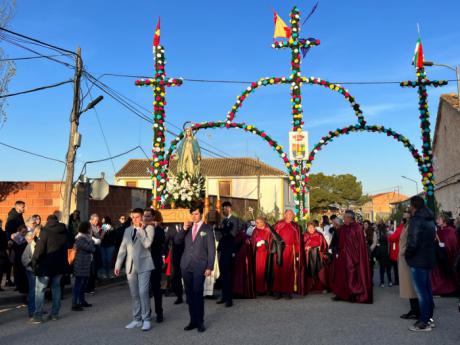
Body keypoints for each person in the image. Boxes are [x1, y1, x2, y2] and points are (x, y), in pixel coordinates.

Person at [175, 203, 215, 333]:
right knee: (190, 295)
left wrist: (209, 266)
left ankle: (200, 322)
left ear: (201, 214)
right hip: (186, 265)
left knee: (198, 294)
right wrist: (184, 229)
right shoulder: (187, 227)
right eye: (192, 214)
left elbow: (211, 249)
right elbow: (177, 241)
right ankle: (192, 320)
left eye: (196, 213)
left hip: (200, 266)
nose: (194, 216)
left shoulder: (207, 229)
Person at [115, 208, 154, 331]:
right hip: (130, 266)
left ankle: (146, 319)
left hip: (144, 264)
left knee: (143, 292)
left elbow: (147, 244)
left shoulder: (149, 229)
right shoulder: (127, 230)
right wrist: (117, 265)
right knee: (134, 294)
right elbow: (122, 249)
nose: (135, 219)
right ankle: (137, 319)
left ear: (142, 217)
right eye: (133, 217)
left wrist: (141, 230)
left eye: (137, 217)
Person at [405, 196, 436, 332]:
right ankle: (428, 318)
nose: (409, 208)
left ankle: (424, 322)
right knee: (427, 290)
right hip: (427, 258)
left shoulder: (417, 219)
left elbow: (413, 241)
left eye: (410, 206)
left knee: (422, 292)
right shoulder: (429, 219)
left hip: (418, 259)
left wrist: (407, 255)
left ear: (414, 206)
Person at [30, 215, 69, 323]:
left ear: (48, 221)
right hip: (60, 265)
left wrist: (34, 263)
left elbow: (39, 250)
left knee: (40, 290)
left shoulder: (45, 232)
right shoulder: (65, 232)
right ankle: (54, 314)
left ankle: (38, 316)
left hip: (45, 266)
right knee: (56, 288)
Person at [331, 210, 372, 303]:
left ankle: (353, 294)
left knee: (351, 276)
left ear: (350, 218)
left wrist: (356, 256)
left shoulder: (357, 227)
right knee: (341, 275)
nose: (343, 219)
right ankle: (341, 294)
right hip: (343, 255)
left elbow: (360, 244)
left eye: (345, 217)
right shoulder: (344, 227)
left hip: (352, 256)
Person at [215, 201, 240, 307]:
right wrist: (221, 231)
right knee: (223, 274)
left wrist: (222, 230)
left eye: (224, 208)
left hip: (229, 249)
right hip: (222, 249)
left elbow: (233, 234)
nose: (223, 210)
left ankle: (229, 299)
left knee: (228, 274)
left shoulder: (235, 220)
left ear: (229, 208)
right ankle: (224, 295)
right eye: (222, 209)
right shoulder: (223, 220)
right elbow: (218, 235)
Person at [271, 209, 300, 299]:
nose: (291, 215)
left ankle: (287, 292)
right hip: (280, 250)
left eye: (292, 214)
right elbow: (273, 237)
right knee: (278, 270)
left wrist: (298, 253)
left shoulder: (295, 226)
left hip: (291, 250)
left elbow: (297, 240)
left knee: (288, 271)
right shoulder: (279, 224)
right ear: (285, 215)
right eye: (289, 214)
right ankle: (277, 291)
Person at [397, 209, 420, 320]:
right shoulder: (406, 225)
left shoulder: (411, 225)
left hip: (407, 259)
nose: (403, 216)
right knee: (409, 286)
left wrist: (403, 252)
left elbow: (412, 241)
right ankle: (414, 310)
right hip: (404, 259)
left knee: (411, 286)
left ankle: (416, 311)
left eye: (405, 214)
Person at [72, 221, 99, 311]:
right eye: (89, 228)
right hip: (80, 264)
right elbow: (91, 249)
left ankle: (82, 301)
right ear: (86, 229)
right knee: (78, 284)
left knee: (83, 284)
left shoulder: (85, 238)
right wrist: (91, 239)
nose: (90, 229)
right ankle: (74, 303)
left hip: (85, 264)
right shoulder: (80, 238)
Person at [430, 213, 458, 296]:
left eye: (439, 219)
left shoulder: (450, 231)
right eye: (437, 219)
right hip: (438, 257)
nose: (437, 221)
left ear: (444, 220)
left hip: (447, 257)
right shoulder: (438, 231)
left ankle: (449, 290)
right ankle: (440, 289)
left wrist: (444, 247)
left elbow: (453, 244)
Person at [300, 222, 329, 294]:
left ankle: (322, 287)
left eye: (312, 227)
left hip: (318, 256)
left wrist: (319, 248)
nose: (311, 229)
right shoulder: (304, 235)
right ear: (307, 228)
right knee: (308, 271)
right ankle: (309, 286)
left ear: (314, 227)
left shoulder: (319, 235)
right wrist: (305, 248)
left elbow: (324, 246)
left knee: (320, 271)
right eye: (309, 227)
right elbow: (301, 246)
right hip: (307, 256)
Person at [148, 209, 165, 323]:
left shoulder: (158, 229)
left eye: (148, 216)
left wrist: (154, 227)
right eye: (144, 216)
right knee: (145, 290)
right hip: (143, 263)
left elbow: (160, 240)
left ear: (153, 217)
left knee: (156, 289)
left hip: (155, 262)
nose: (146, 218)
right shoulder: (142, 228)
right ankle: (146, 312)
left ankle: (159, 312)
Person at [250, 217, 272, 294]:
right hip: (258, 254)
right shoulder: (255, 230)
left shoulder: (268, 230)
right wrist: (255, 244)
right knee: (258, 271)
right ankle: (258, 289)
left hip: (266, 254)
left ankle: (266, 288)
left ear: (263, 222)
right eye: (256, 222)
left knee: (266, 270)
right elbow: (252, 240)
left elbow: (272, 241)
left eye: (258, 222)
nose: (256, 224)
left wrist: (265, 243)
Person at [164, 222, 184, 304]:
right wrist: (164, 254)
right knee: (176, 276)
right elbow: (166, 241)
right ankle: (179, 296)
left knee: (188, 276)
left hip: (186, 255)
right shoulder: (171, 228)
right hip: (175, 256)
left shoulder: (187, 226)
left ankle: (191, 297)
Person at [21, 229, 40, 318]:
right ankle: (32, 311)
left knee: (38, 291)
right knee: (33, 291)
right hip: (31, 271)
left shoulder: (36, 245)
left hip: (36, 270)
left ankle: (38, 309)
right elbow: (24, 259)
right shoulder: (29, 246)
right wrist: (32, 263)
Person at [11, 225, 29, 296]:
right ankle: (17, 285)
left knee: (23, 273)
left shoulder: (27, 238)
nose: (24, 233)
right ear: (19, 231)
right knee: (17, 271)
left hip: (24, 257)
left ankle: (22, 287)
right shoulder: (15, 238)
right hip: (17, 257)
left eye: (25, 232)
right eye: (23, 232)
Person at [375, 221, 392, 288]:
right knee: (388, 271)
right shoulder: (388, 245)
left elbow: (377, 254)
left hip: (382, 260)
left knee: (381, 271)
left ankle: (382, 283)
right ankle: (390, 282)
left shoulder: (379, 246)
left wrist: (377, 258)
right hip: (388, 258)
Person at [87, 214, 101, 293]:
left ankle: (92, 287)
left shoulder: (96, 227)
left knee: (95, 269)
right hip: (91, 250)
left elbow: (100, 238)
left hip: (96, 249)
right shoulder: (89, 227)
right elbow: (89, 238)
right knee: (91, 270)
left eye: (97, 220)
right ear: (91, 220)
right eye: (95, 220)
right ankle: (89, 288)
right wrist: (95, 240)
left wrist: (103, 232)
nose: (97, 222)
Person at [388, 219, 403, 286]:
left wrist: (390, 235)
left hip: (396, 250)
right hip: (398, 249)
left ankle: (397, 280)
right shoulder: (402, 228)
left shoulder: (399, 229)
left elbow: (392, 238)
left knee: (396, 267)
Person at [0, 220, 9, 291]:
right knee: (0, 271)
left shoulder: (3, 232)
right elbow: (5, 244)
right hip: (2, 253)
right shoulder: (2, 233)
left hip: (2, 253)